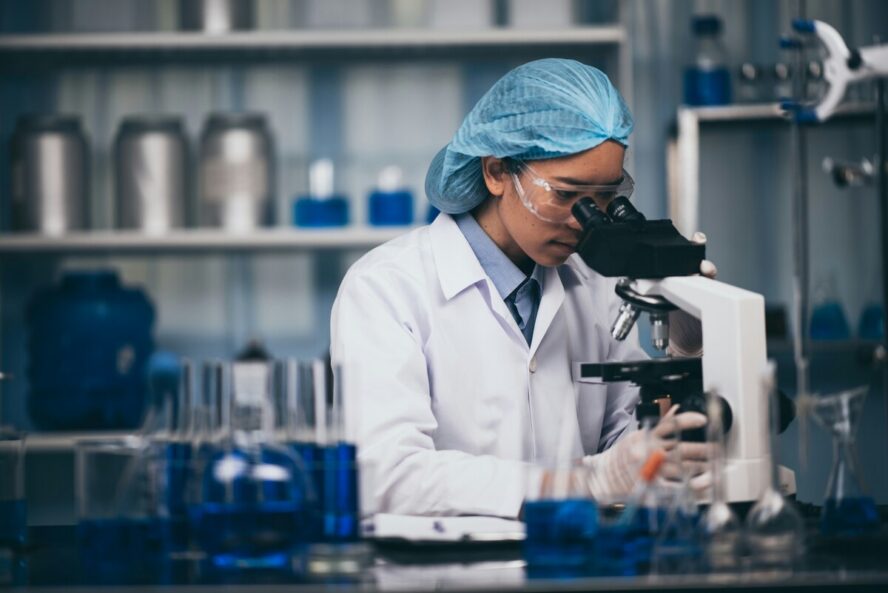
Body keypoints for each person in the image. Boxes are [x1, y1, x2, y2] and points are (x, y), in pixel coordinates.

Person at [330, 59, 712, 518]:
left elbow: (629, 444)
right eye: (565, 195)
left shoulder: (595, 285)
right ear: (495, 172)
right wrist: (582, 482)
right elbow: (388, 477)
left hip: (581, 567)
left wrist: (694, 356)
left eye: (605, 199)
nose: (582, 220)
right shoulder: (386, 289)